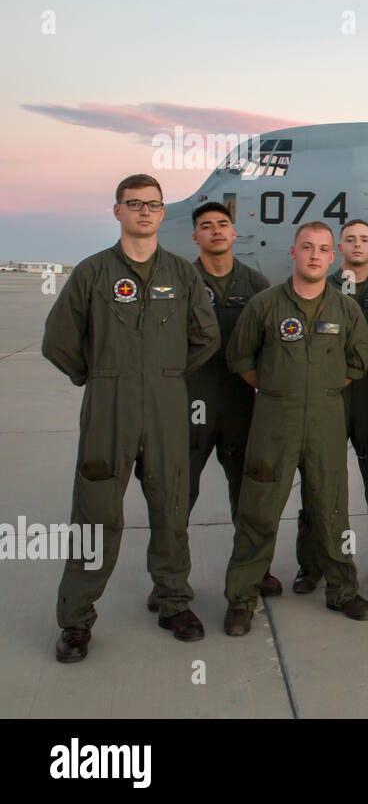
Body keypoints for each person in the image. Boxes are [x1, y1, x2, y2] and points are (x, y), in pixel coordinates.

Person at [43, 174, 219, 661]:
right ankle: (76, 620)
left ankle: (173, 602)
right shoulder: (92, 272)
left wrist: (166, 374)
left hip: (166, 403)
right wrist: (99, 377)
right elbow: (57, 339)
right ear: (117, 211)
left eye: (153, 205)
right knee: (95, 511)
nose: (144, 212)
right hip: (109, 404)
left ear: (163, 214)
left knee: (170, 507)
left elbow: (206, 337)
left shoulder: (183, 275)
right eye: (134, 204)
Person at [222, 221, 368, 635]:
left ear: (332, 256)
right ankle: (241, 597)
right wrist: (277, 389)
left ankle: (341, 589)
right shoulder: (265, 305)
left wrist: (320, 389)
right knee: (259, 510)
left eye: (323, 249)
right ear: (293, 253)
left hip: (326, 420)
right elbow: (241, 359)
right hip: (274, 420)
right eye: (306, 247)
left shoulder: (346, 310)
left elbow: (357, 364)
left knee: (332, 509)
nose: (314, 255)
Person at [294, 219, 368, 589]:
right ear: (339, 248)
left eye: (364, 240)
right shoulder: (321, 287)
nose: (357, 245)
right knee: (318, 482)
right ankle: (311, 564)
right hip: (328, 395)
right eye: (350, 240)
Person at [184, 201, 277, 603]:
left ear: (234, 233)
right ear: (196, 237)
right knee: (176, 495)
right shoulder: (180, 281)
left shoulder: (256, 285)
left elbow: (272, 345)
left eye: (223, 224)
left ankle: (256, 570)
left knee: (248, 494)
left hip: (241, 403)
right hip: (191, 403)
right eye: (207, 226)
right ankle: (168, 581)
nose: (216, 231)